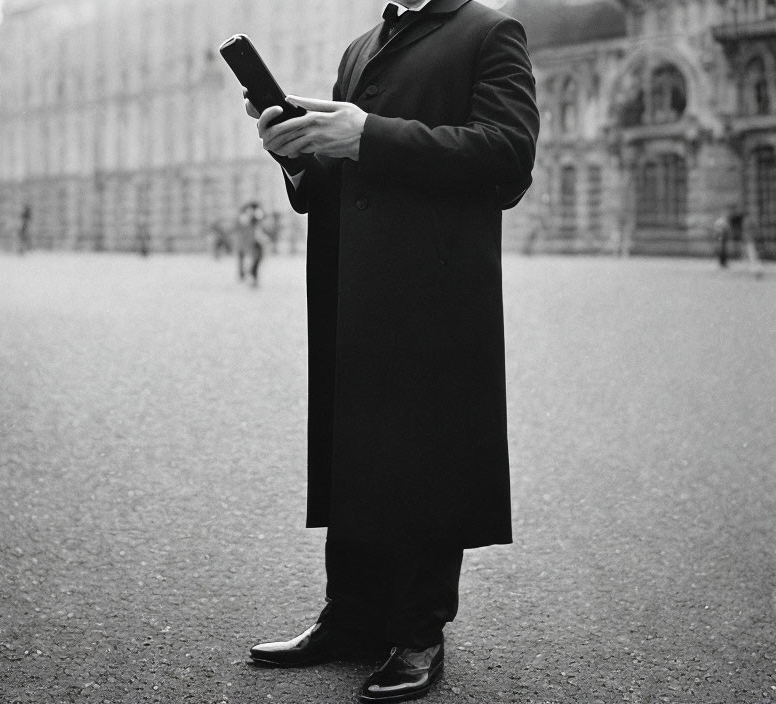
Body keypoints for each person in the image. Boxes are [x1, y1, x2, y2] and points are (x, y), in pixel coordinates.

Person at [241, 1, 539, 701]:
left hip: (437, 284)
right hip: (354, 279)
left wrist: (368, 134)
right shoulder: (361, 45)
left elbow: (507, 155)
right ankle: (350, 616)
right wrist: (298, 151)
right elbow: (337, 177)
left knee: (428, 451)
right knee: (358, 447)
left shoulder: (490, 32)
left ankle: (418, 631)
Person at [236, 200, 267, 285]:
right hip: (250, 242)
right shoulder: (246, 217)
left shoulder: (256, 217)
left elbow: (262, 220)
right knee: (252, 260)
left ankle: (251, 275)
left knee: (256, 260)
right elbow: (244, 226)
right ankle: (249, 275)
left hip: (255, 242)